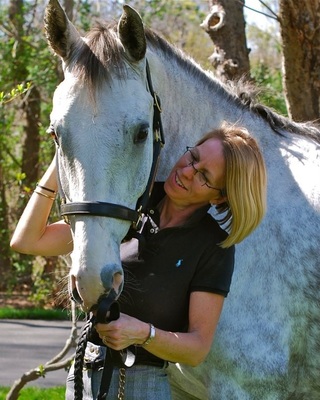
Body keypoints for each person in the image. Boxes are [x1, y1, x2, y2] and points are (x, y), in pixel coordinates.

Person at [11, 122, 267, 399]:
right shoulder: (129, 201)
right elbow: (28, 241)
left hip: (143, 385)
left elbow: (197, 348)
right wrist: (60, 164)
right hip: (83, 374)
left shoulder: (212, 247)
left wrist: (143, 334)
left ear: (220, 197)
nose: (186, 171)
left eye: (204, 175)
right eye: (193, 158)